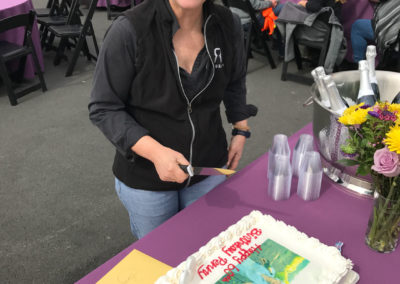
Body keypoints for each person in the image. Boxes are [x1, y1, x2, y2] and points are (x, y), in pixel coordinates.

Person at [88, 0, 257, 239]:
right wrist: (156, 153)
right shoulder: (129, 30)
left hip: (208, 165)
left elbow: (235, 80)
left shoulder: (228, 23)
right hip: (146, 178)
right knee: (161, 258)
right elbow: (104, 107)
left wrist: (241, 128)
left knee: (207, 248)